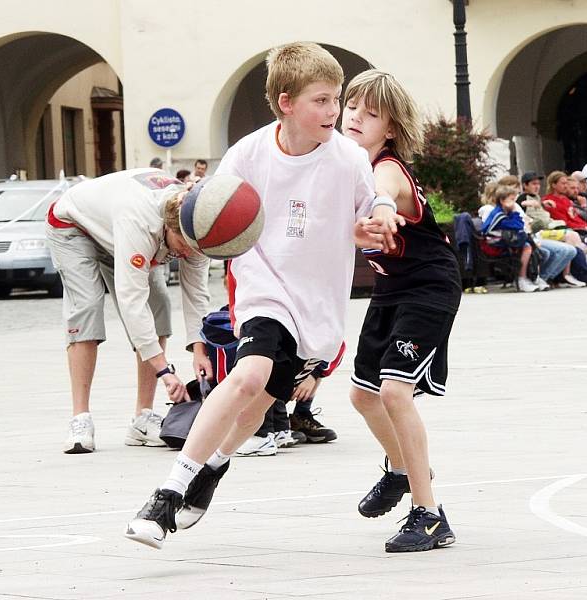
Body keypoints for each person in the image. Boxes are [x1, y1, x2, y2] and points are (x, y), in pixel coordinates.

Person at [124, 42, 393, 549]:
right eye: (322, 100)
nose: (334, 111)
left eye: (337, 99)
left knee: (262, 401)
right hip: (262, 286)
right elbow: (211, 213)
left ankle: (215, 467)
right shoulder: (247, 154)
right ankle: (168, 493)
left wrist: (375, 219)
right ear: (286, 102)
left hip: (318, 306)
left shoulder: (349, 158)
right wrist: (195, 219)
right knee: (248, 376)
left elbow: (370, 203)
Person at [343, 69, 460, 552]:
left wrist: (384, 209)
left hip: (430, 285)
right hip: (390, 288)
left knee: (394, 392)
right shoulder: (337, 166)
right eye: (352, 107)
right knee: (361, 396)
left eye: (371, 114)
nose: (356, 118)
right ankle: (400, 468)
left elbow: (384, 194)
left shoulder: (385, 167)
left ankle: (429, 515)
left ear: (389, 129)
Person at [46, 169, 212, 454]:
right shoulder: (140, 222)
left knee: (158, 303)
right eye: (182, 246)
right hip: (74, 225)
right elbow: (131, 299)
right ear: (168, 228)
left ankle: (142, 418)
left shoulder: (196, 228)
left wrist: (200, 348)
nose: (185, 254)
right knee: (85, 307)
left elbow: (197, 295)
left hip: (119, 228)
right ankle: (80, 419)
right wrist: (164, 372)